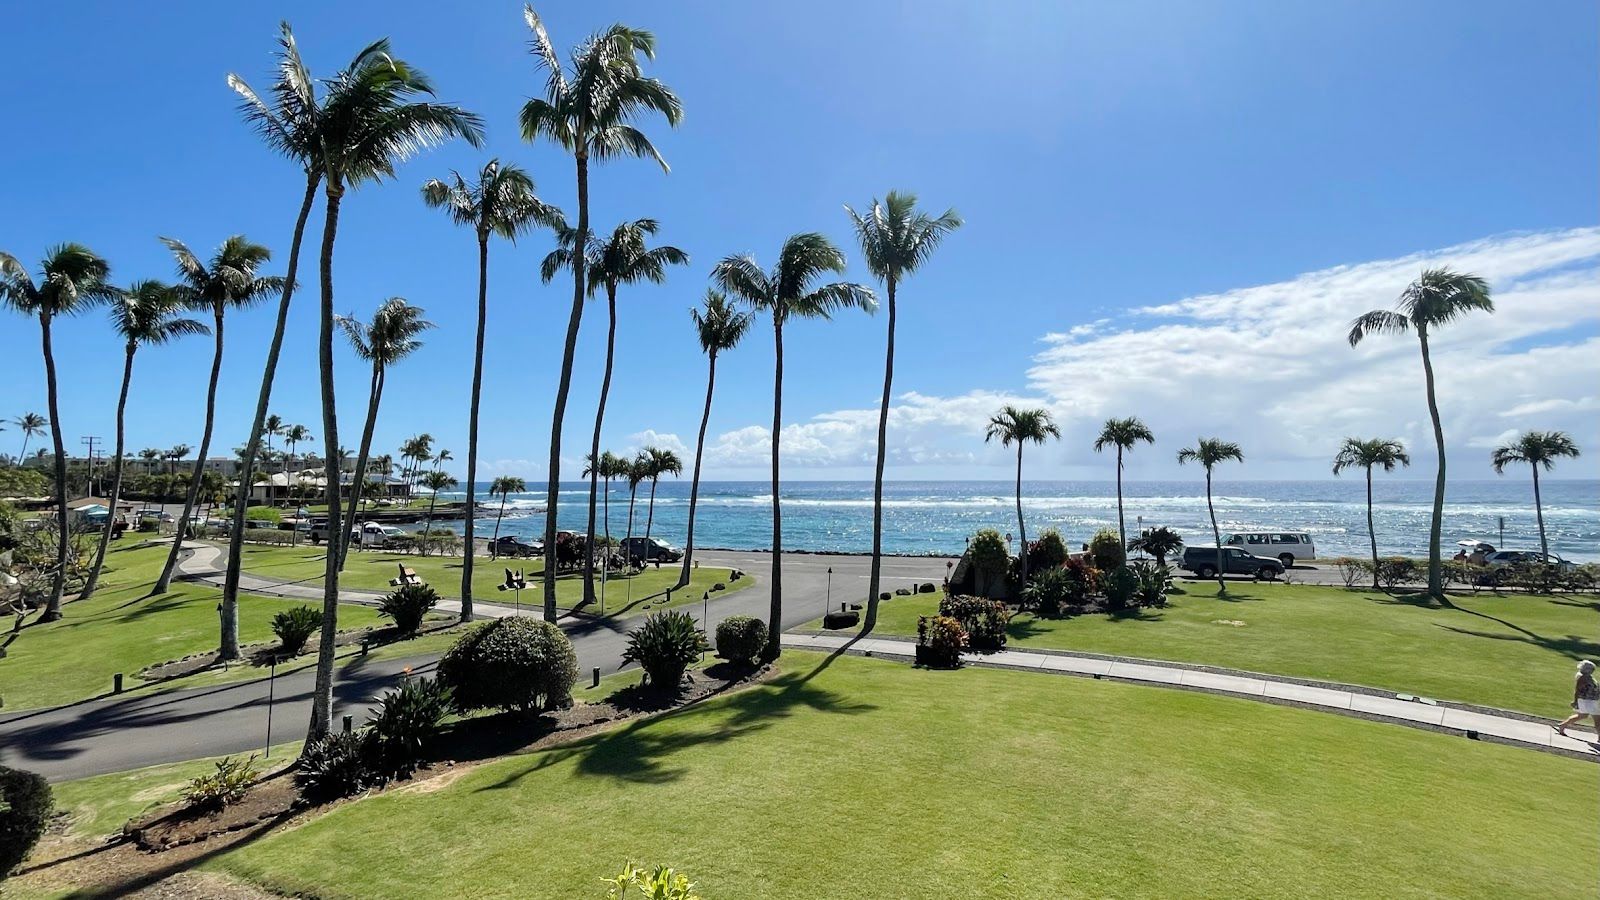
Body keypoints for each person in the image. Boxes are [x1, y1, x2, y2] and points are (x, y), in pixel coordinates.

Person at [1554, 660, 1599, 736]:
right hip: (1589, 701)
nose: (1593, 671)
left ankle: (1563, 725)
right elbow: (1577, 690)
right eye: (1592, 669)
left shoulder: (1587, 676)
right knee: (1598, 720)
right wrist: (1575, 701)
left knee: (1582, 715)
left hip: (1588, 700)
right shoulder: (1583, 678)